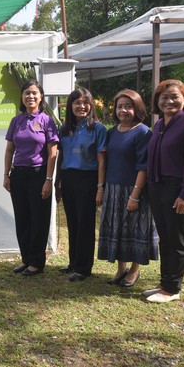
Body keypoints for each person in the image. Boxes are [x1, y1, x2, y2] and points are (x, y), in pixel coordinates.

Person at [144, 79, 184, 303]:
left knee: (176, 239)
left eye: (174, 96)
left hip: (177, 188)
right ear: (157, 102)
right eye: (163, 97)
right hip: (157, 187)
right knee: (165, 238)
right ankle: (165, 282)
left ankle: (173, 288)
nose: (168, 101)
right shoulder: (159, 125)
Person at [98, 89, 158, 287]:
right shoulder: (111, 132)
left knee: (134, 230)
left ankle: (134, 270)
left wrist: (134, 195)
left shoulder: (143, 132)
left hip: (134, 190)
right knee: (116, 228)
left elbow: (144, 166)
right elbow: (105, 160)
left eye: (128, 106)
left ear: (137, 108)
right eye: (120, 106)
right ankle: (121, 268)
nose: (123, 110)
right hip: (113, 188)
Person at [3, 80, 58, 276]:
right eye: (27, 93)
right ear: (22, 97)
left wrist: (48, 180)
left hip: (39, 174)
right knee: (23, 218)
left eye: (34, 93)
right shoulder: (16, 121)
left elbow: (53, 153)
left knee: (38, 218)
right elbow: (10, 149)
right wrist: (6, 175)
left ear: (41, 97)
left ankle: (37, 262)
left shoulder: (46, 121)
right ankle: (26, 259)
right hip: (18, 175)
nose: (30, 96)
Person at [55, 88, 106, 282]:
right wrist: (57, 184)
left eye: (85, 103)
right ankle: (73, 263)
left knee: (85, 223)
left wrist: (100, 187)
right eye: (77, 103)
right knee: (72, 221)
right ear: (70, 106)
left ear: (91, 105)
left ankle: (83, 268)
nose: (81, 106)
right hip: (68, 178)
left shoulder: (97, 128)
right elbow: (61, 158)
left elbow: (102, 160)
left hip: (88, 179)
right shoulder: (65, 129)